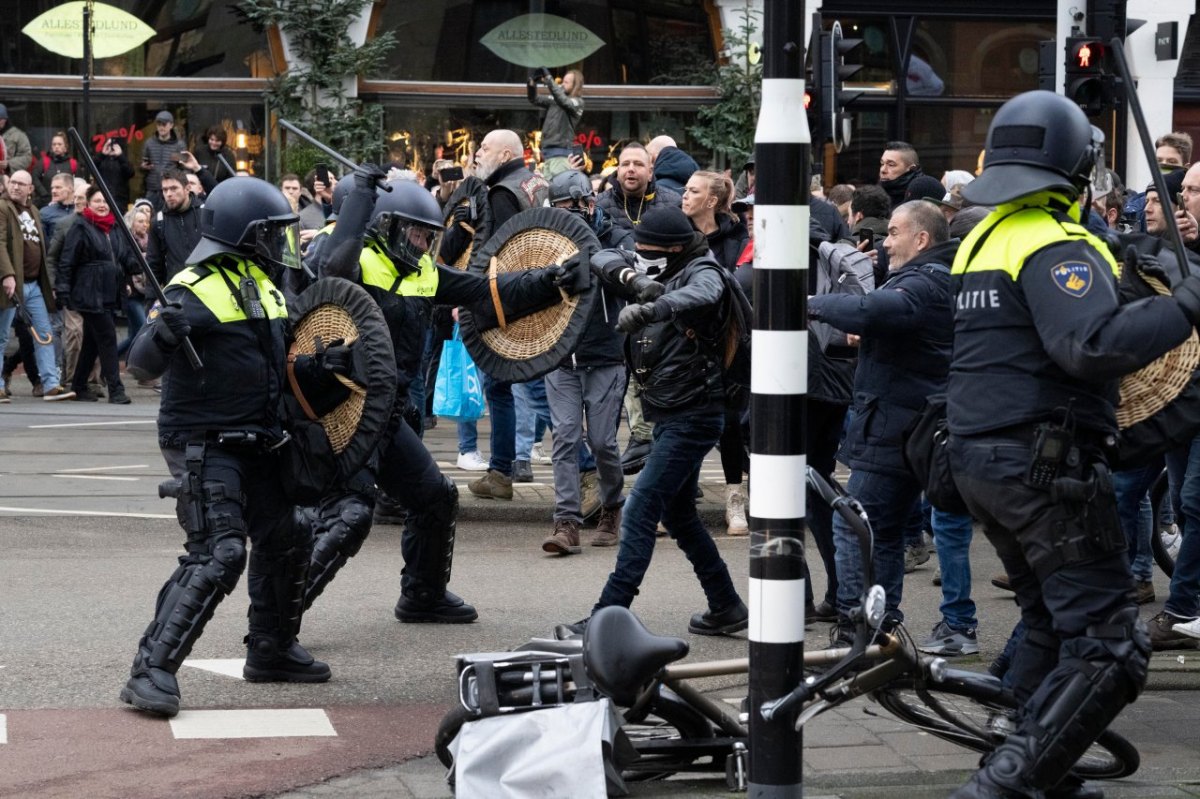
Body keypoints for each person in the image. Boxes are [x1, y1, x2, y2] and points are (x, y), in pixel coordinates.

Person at [945, 90, 1200, 799]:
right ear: (1078, 165)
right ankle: (1004, 785)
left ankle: (1039, 771)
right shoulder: (1055, 244)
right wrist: (1183, 307)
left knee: (1051, 625)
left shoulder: (984, 235)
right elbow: (1086, 345)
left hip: (982, 460)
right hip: (1041, 468)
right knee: (1112, 643)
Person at [303, 172, 585, 621]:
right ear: (385, 225)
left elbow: (485, 290)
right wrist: (360, 196)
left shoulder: (422, 270)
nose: (420, 242)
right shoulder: (348, 257)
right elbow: (331, 268)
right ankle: (276, 626)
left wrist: (549, 279)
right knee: (347, 518)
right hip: (343, 412)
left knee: (435, 497)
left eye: (427, 235)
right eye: (413, 231)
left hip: (387, 414)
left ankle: (422, 595)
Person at [119, 176, 336, 718]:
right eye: (271, 233)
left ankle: (272, 650)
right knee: (220, 550)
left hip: (257, 437)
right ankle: (151, 669)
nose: (279, 243)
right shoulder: (191, 288)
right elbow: (141, 365)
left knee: (292, 531)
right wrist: (162, 331)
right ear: (245, 235)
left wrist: (324, 368)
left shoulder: (263, 283)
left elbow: (274, 365)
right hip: (203, 439)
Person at [561, 205, 748, 637]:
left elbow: (702, 294)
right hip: (669, 412)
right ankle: (726, 605)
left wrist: (653, 308)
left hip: (696, 414)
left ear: (677, 249)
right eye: (639, 248)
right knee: (680, 515)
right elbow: (601, 256)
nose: (641, 254)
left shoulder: (702, 270)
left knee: (641, 507)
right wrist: (636, 279)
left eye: (650, 251)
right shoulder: (649, 267)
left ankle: (608, 615)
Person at [808, 200, 956, 640]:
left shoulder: (925, 282)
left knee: (851, 523)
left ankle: (859, 628)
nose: (885, 243)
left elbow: (874, 310)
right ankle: (882, 624)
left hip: (897, 427)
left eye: (893, 233)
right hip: (908, 425)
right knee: (884, 530)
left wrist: (811, 302)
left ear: (921, 238)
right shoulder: (933, 277)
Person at [540, 168, 632, 554]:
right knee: (563, 437)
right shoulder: (544, 240)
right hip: (561, 356)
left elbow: (626, 272)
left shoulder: (616, 234)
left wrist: (589, 247)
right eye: (568, 205)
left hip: (606, 353)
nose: (578, 210)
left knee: (602, 441)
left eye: (583, 202)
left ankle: (612, 506)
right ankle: (566, 522)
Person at [465, 129, 550, 501]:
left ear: (504, 154)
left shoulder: (502, 192)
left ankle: (588, 471)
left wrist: (470, 296)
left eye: (483, 148)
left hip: (509, 302)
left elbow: (496, 253)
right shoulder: (535, 182)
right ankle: (500, 472)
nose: (476, 153)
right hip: (535, 294)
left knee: (532, 389)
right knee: (510, 386)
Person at [596, 141, 682, 473]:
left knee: (658, 383)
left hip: (661, 306)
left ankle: (662, 456)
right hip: (615, 307)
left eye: (638, 164)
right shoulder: (601, 204)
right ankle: (639, 446)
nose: (630, 169)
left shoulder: (671, 204)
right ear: (617, 169)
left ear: (651, 170)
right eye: (625, 164)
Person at [680, 169, 750, 535]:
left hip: (727, 339)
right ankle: (677, 498)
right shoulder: (676, 232)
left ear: (711, 200)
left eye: (693, 191)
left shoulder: (736, 237)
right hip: (683, 339)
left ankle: (735, 499)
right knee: (683, 416)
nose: (684, 196)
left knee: (729, 421)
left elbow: (737, 285)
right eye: (685, 190)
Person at [55, 184, 139, 404]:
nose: (102, 206)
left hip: (109, 292)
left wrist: (138, 266)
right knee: (108, 337)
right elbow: (67, 261)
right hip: (88, 292)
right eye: (98, 201)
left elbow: (125, 257)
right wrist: (62, 289)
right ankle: (116, 389)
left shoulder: (116, 228)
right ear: (88, 204)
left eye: (105, 202)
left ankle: (79, 386)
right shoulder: (80, 227)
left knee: (92, 341)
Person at [0, 169, 75, 401]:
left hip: (33, 284)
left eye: (21, 184)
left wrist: (47, 283)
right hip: (12, 284)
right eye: (13, 182)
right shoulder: (2, 208)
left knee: (44, 333)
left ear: (30, 189)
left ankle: (50, 384)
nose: (15, 187)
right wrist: (7, 274)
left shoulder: (34, 211)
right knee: (1, 336)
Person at [527, 68, 584, 181]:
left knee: (558, 189)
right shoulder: (556, 100)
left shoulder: (577, 102)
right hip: (548, 155)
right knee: (548, 190)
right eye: (563, 81)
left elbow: (563, 101)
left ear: (575, 85)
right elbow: (534, 99)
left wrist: (549, 79)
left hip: (561, 156)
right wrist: (531, 83)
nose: (562, 84)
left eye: (566, 82)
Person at [141, 111, 186, 210]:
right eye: (159, 124)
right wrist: (144, 167)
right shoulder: (149, 143)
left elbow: (183, 168)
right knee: (150, 216)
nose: (161, 127)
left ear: (171, 125)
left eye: (164, 124)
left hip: (171, 188)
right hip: (152, 188)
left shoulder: (178, 145)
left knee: (171, 215)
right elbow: (142, 167)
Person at [33, 132, 80, 206]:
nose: (56, 147)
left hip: (67, 203)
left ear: (66, 147)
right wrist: (44, 194)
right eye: (54, 144)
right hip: (46, 202)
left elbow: (78, 182)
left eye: (59, 144)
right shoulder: (44, 161)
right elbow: (34, 177)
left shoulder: (73, 163)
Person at [878, 141, 924, 209]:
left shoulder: (921, 196)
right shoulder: (876, 196)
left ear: (912, 169)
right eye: (882, 164)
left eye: (891, 165)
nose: (883, 170)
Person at [39, 172, 74, 242]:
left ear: (70, 189)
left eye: (58, 187)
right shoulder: (44, 212)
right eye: (52, 188)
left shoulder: (82, 211)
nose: (53, 191)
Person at [0, 104, 33, 175]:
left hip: (9, 179)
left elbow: (27, 157)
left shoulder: (18, 135)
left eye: (0, 119)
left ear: (5, 119)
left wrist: (9, 164)